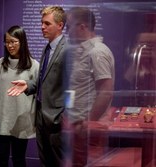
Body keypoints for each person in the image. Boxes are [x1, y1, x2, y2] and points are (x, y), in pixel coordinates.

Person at [7, 6, 67, 167]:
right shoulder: (47, 48)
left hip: (56, 120)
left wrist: (64, 116)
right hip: (41, 118)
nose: (42, 27)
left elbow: (73, 87)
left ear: (60, 25)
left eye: (47, 23)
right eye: (42, 23)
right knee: (45, 161)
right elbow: (46, 80)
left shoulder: (67, 50)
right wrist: (28, 85)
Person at [65, 7, 115, 166]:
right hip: (75, 125)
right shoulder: (79, 52)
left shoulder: (97, 52)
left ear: (82, 27)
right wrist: (66, 113)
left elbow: (106, 92)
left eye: (68, 27)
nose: (67, 32)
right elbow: (73, 86)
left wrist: (89, 123)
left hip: (87, 128)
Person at [0, 25, 39, 167]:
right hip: (3, 119)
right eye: (7, 42)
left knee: (18, 159)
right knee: (1, 159)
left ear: (22, 42)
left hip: (21, 119)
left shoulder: (33, 65)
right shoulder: (1, 63)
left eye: (13, 41)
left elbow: (37, 92)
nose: (10, 45)